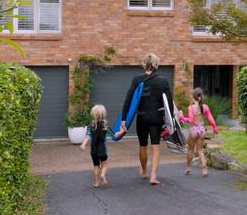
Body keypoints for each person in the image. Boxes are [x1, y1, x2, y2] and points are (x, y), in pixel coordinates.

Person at [118, 53, 173, 186]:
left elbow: (128, 100)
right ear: (156, 64)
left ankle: (144, 171)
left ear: (144, 64)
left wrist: (124, 119)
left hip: (141, 117)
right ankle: (153, 177)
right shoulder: (163, 81)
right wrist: (170, 122)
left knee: (143, 145)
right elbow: (169, 104)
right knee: (155, 147)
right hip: (156, 118)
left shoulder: (137, 79)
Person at [178, 87, 218, 177]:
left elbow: (191, 121)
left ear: (193, 97)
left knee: (190, 149)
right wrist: (215, 128)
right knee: (200, 150)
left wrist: (181, 117)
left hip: (193, 130)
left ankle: (188, 168)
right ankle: (204, 167)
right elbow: (211, 119)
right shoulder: (205, 107)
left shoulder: (191, 108)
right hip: (202, 130)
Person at [80, 104, 109, 188]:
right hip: (103, 149)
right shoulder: (105, 125)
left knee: (96, 166)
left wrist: (83, 145)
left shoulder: (91, 126)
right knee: (105, 164)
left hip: (93, 150)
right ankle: (103, 175)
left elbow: (87, 136)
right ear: (103, 114)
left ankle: (96, 182)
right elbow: (109, 133)